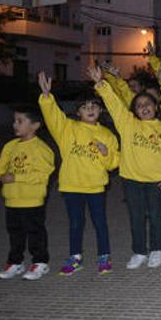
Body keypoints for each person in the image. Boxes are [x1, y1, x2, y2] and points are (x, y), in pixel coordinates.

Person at [91, 65, 161, 270]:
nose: (144, 107)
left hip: (156, 181)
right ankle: (139, 252)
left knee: (156, 216)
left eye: (148, 104)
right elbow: (114, 104)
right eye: (139, 105)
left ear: (156, 107)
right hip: (131, 179)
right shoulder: (127, 123)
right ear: (134, 110)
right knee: (136, 217)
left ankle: (157, 250)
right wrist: (101, 84)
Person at [38, 71, 119, 276]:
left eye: (93, 106)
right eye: (84, 107)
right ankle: (75, 258)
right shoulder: (67, 129)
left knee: (100, 222)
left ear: (100, 110)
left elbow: (113, 164)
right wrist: (47, 97)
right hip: (71, 186)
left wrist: (105, 154)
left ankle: (104, 256)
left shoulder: (107, 135)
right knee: (75, 223)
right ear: (78, 113)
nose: (89, 109)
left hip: (95, 187)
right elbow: (53, 116)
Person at [0, 105, 55, 280]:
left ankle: (40, 262)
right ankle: (15, 262)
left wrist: (16, 178)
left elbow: (42, 174)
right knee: (15, 233)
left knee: (35, 232)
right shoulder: (11, 146)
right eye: (14, 120)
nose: (15, 124)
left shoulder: (41, 149)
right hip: (12, 199)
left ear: (35, 125)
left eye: (20, 121)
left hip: (32, 200)